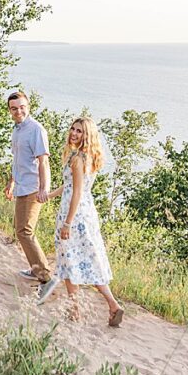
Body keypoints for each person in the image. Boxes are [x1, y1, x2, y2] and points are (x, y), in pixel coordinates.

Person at [48, 116, 124, 326]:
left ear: (87, 135)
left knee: (68, 259)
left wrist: (67, 223)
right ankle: (113, 304)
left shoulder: (77, 159)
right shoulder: (88, 157)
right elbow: (71, 185)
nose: (73, 133)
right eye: (73, 129)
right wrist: (50, 195)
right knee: (87, 260)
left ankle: (74, 311)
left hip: (74, 213)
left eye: (79, 131)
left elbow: (77, 192)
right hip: (87, 213)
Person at [4, 91, 59, 303]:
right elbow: (18, 160)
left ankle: (46, 278)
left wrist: (44, 188)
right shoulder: (17, 130)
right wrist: (11, 181)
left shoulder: (36, 129)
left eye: (22, 107)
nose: (18, 111)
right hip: (21, 186)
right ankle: (36, 268)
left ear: (28, 107)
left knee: (25, 232)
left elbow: (43, 161)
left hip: (33, 188)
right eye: (14, 108)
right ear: (10, 111)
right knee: (20, 229)